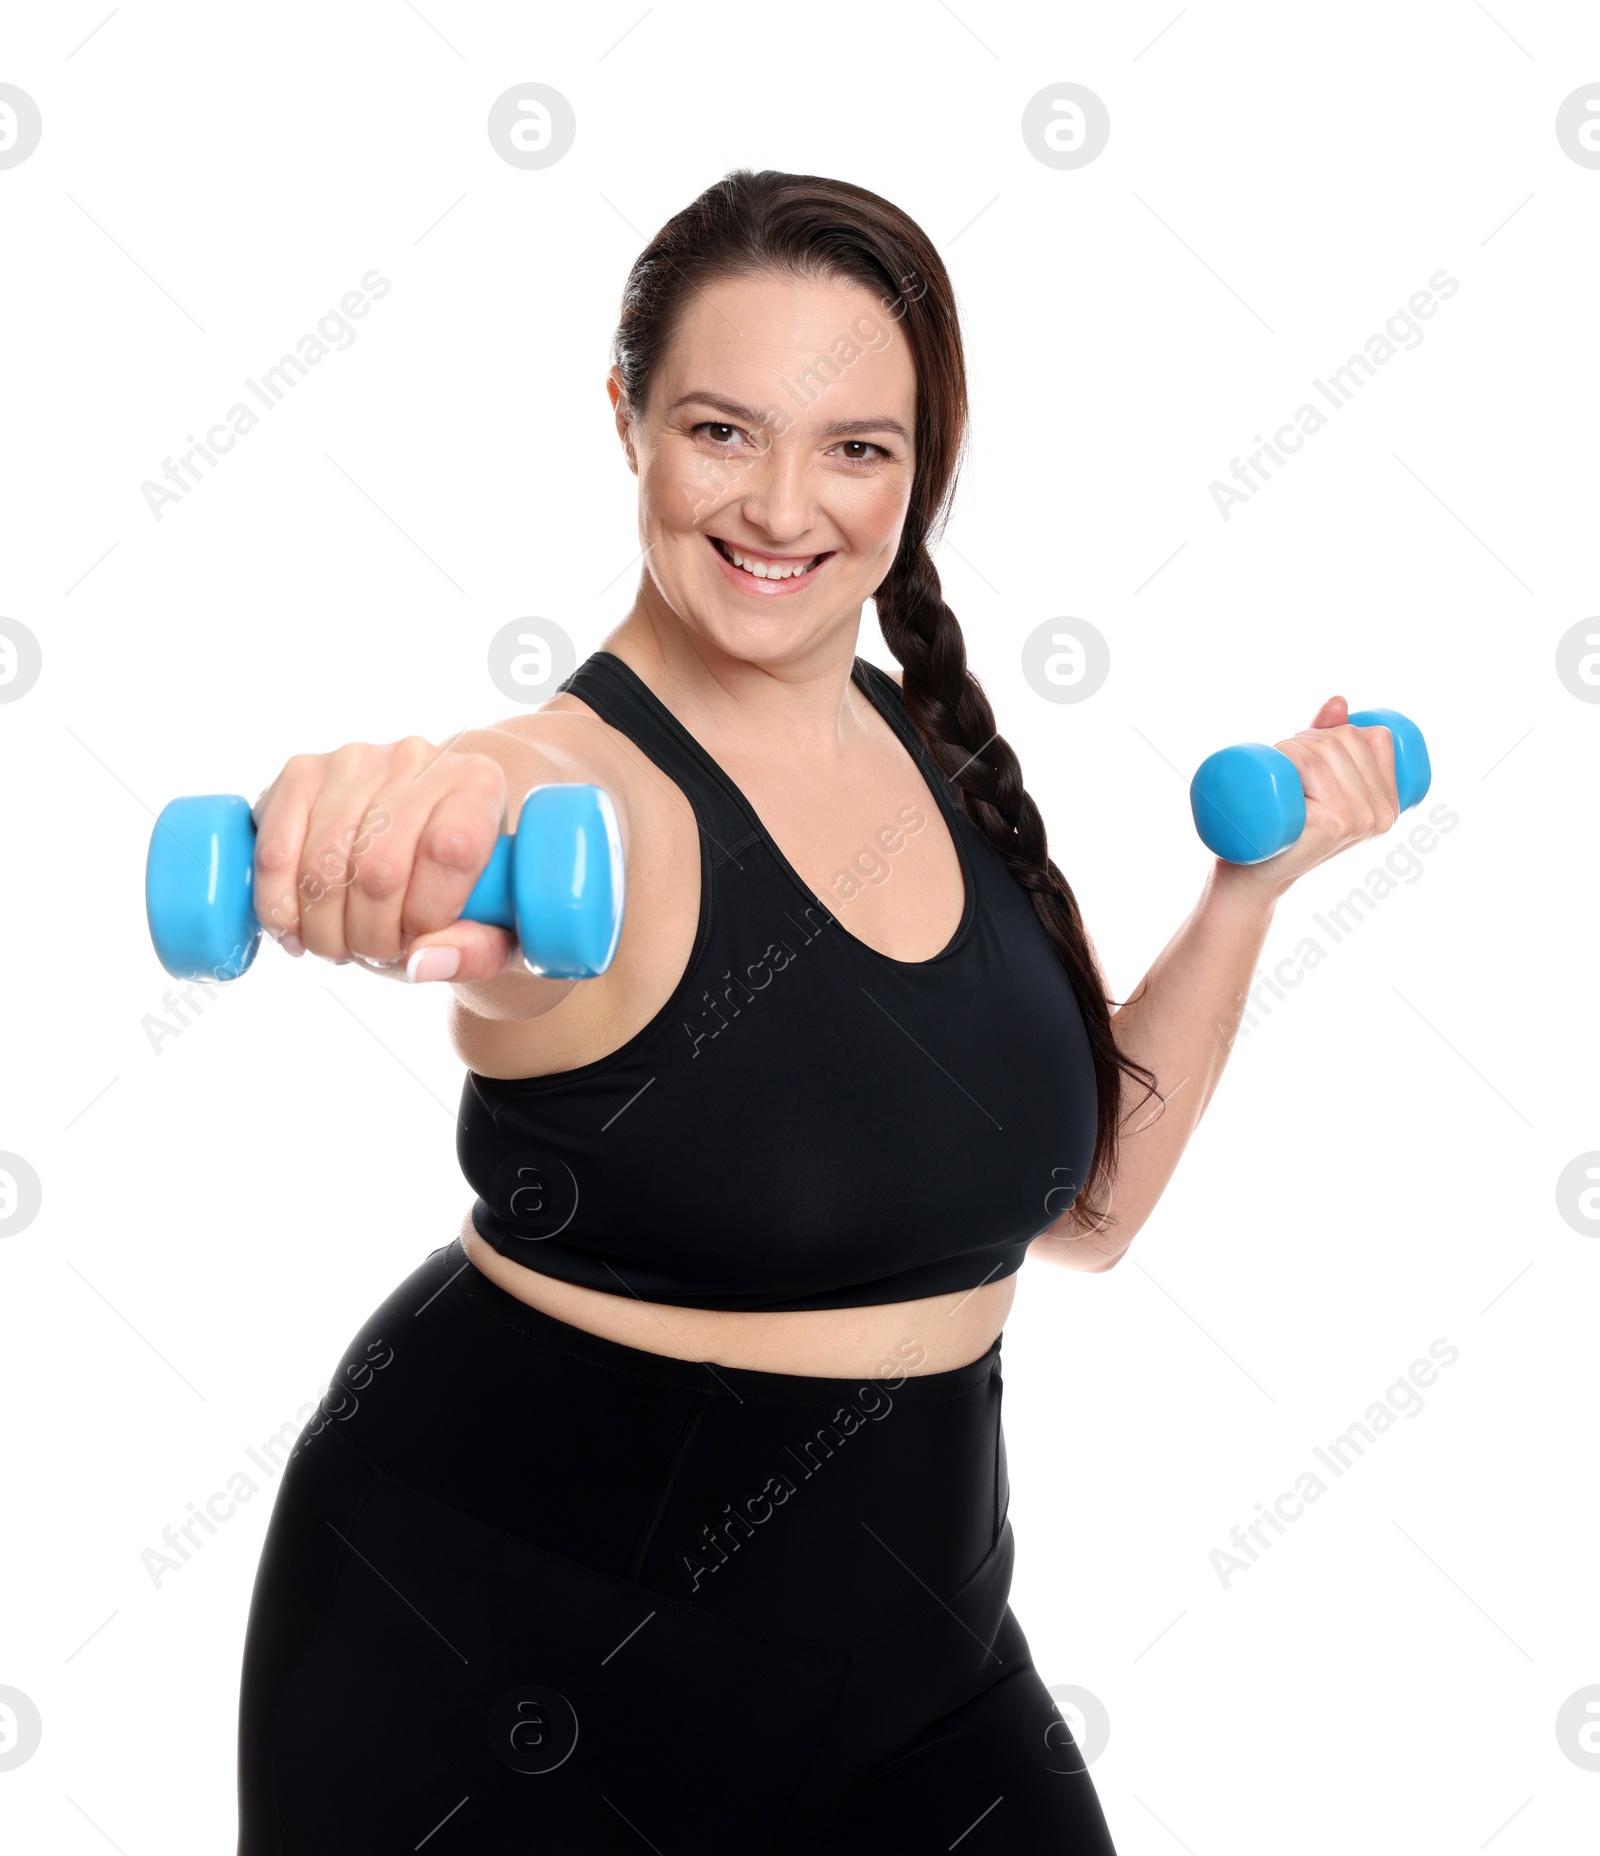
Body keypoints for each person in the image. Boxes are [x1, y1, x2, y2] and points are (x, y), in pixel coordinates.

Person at [234, 169, 1403, 1854]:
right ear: (625, 417)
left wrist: (1249, 893)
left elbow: (1088, 1211)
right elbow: (468, 819)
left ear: (919, 471)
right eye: (722, 430)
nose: (786, 506)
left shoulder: (925, 749)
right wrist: (379, 825)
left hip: (914, 1664)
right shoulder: (571, 797)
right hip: (500, 1652)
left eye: (857, 446)